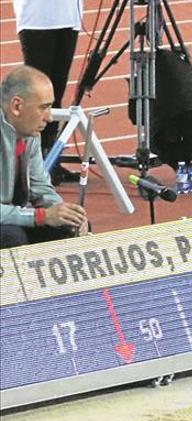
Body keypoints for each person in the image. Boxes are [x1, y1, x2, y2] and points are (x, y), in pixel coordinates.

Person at [1, 66, 88, 249]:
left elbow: (40, 186)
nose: (49, 118)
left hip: (11, 216)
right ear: (17, 106)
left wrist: (66, 213)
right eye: (44, 107)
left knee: (67, 228)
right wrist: (40, 216)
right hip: (7, 224)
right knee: (11, 237)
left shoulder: (29, 133)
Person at [13, 0, 84, 184]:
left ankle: (50, 157)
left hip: (69, 16)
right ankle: (29, 163)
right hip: (37, 18)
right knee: (37, 94)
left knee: (56, 93)